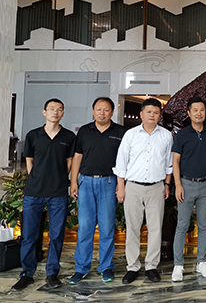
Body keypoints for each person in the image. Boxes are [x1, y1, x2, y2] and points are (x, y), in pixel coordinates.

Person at [12, 98, 76, 291]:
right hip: (34, 193)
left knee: (56, 235)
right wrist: (37, 179)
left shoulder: (68, 136)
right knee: (29, 235)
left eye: (59, 109)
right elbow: (29, 161)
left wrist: (59, 178)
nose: (55, 112)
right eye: (52, 109)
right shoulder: (33, 135)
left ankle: (52, 273)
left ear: (63, 114)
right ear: (44, 112)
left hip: (58, 193)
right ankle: (27, 274)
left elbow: (70, 162)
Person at [113, 98, 173, 284]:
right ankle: (132, 267)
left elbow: (169, 164)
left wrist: (167, 185)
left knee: (156, 228)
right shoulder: (131, 135)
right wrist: (121, 187)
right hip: (133, 187)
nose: (152, 115)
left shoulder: (166, 136)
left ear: (159, 115)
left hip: (156, 187)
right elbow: (121, 162)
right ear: (141, 114)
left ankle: (151, 266)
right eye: (149, 112)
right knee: (132, 228)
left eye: (156, 112)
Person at [69, 97, 126, 284]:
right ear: (93, 111)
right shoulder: (84, 131)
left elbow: (124, 161)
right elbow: (77, 157)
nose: (102, 113)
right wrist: (73, 182)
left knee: (107, 227)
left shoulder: (120, 132)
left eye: (106, 109)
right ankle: (81, 268)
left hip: (109, 182)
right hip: (85, 182)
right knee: (85, 227)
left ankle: (106, 267)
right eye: (99, 109)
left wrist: (120, 184)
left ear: (112, 112)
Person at [171, 96, 206, 282]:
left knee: (203, 225)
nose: (199, 113)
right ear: (189, 113)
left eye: (202, 110)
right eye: (195, 110)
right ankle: (178, 265)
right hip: (186, 184)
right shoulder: (182, 135)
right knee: (182, 225)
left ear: (205, 112)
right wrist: (178, 185)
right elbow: (175, 161)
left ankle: (202, 262)